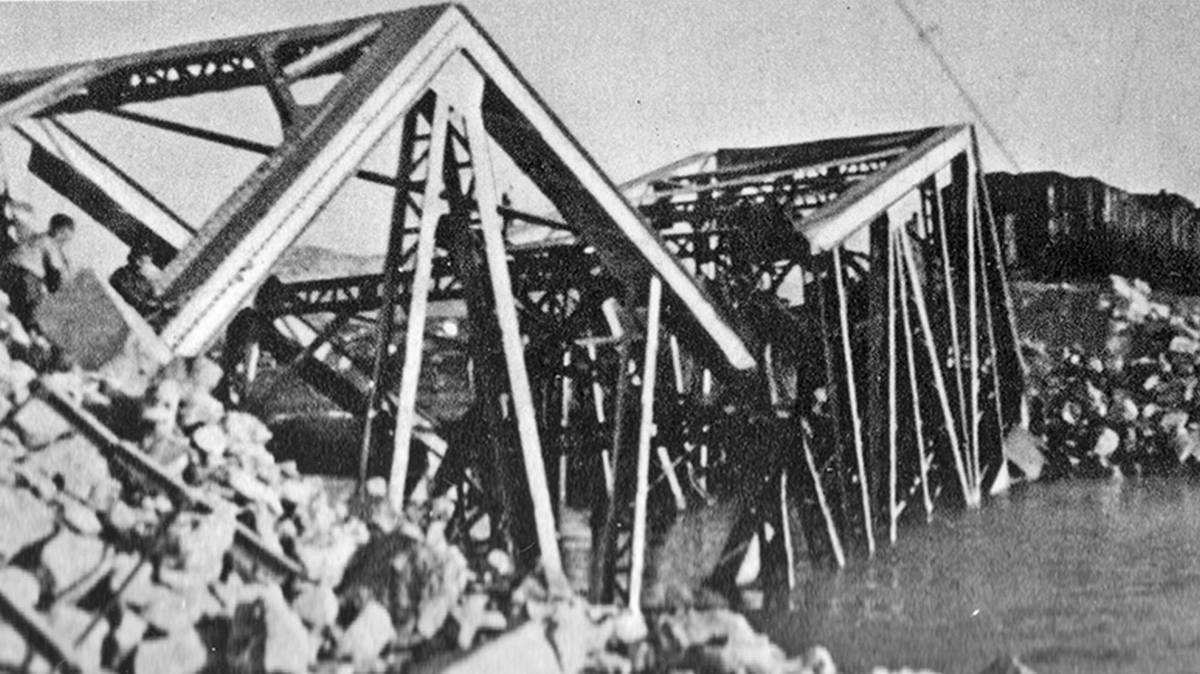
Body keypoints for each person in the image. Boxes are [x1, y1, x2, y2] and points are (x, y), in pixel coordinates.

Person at [0, 212, 74, 327]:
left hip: (8, 268)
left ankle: (20, 316)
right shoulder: (49, 244)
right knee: (35, 300)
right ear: (58, 231)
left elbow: (22, 230)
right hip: (23, 274)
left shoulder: (38, 237)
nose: (65, 240)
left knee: (32, 295)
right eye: (64, 234)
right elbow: (55, 272)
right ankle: (27, 323)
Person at [110, 241, 165, 317]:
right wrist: (147, 304)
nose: (144, 265)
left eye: (147, 263)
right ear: (133, 257)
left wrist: (157, 298)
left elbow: (153, 298)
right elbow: (131, 298)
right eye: (141, 261)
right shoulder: (121, 274)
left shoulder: (145, 281)